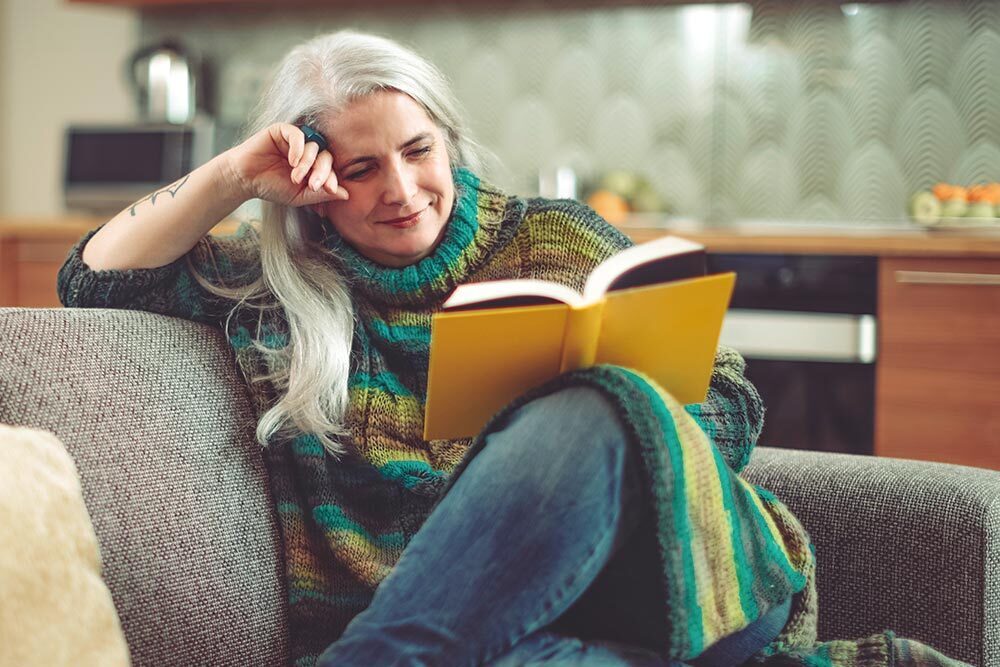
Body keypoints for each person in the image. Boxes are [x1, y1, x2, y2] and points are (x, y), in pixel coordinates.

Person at [58, 31, 966, 667]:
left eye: (419, 150)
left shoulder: (555, 240)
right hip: (502, 639)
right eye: (363, 168)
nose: (404, 190)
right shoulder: (279, 291)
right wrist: (231, 175)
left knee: (592, 405)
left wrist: (592, 438)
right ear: (313, 184)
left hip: (689, 582)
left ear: (449, 140)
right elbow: (93, 283)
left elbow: (730, 405)